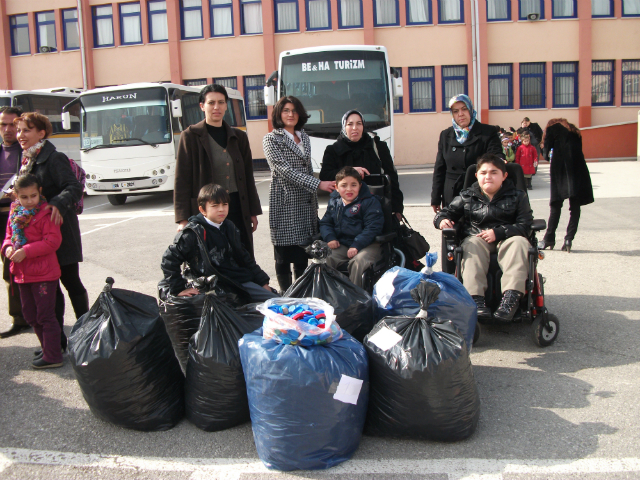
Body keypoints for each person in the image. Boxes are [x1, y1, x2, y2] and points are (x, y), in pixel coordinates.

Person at [14, 112, 88, 352]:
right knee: (50, 288)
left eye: (26, 130)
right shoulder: (27, 159)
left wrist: (56, 203)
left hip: (61, 231)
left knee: (71, 282)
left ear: (41, 133)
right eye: (19, 131)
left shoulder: (53, 157)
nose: (20, 135)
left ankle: (88, 333)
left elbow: (73, 187)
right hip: (39, 237)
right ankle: (57, 342)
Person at [434, 153, 533, 323]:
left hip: (508, 239)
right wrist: (442, 220)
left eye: (494, 172)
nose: (488, 177)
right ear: (476, 176)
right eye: (483, 172)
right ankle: (476, 300)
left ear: (504, 176)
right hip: (477, 238)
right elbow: (445, 212)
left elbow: (525, 225)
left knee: (520, 242)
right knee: (471, 244)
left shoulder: (518, 196)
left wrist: (499, 232)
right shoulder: (467, 196)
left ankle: (510, 301)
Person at [174, 84, 261, 255]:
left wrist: (252, 211)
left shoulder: (239, 137)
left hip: (236, 205)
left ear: (226, 105)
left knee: (240, 253)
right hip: (207, 209)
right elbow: (182, 180)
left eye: (221, 102)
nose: (216, 107)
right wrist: (183, 219)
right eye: (211, 102)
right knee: (210, 256)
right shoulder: (190, 136)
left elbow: (248, 177)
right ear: (202, 106)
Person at [263, 96, 336, 292]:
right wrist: (318, 183)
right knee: (284, 254)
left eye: (294, 111)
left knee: (302, 253)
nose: (290, 114)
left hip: (305, 202)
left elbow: (308, 167)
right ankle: (287, 293)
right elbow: (284, 171)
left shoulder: (303, 136)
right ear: (279, 114)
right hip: (285, 201)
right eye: (286, 110)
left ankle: (301, 292)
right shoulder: (271, 139)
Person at [161, 183, 278, 303]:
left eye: (225, 204)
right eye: (215, 206)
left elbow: (245, 258)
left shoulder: (229, 227)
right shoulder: (193, 233)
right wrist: (179, 289)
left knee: (276, 303)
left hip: (236, 281)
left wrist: (262, 282)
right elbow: (169, 260)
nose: (221, 209)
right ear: (202, 210)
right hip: (211, 286)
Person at [2, 174, 63, 368]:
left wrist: (26, 251)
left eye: (33, 196)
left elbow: (52, 241)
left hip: (44, 273)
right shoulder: (14, 213)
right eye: (24, 197)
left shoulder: (47, 213)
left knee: (45, 315)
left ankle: (53, 355)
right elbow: (8, 237)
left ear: (40, 193)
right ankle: (47, 349)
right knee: (30, 315)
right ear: (17, 196)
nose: (29, 201)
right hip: (22, 273)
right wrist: (8, 248)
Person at [319, 109, 404, 219]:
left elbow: (392, 178)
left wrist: (397, 209)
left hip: (376, 209)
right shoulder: (333, 150)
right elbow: (325, 175)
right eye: (350, 124)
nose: (355, 128)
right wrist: (350, 171)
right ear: (344, 127)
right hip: (346, 212)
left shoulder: (378, 147)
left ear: (363, 126)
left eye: (359, 123)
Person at [431, 94, 504, 212]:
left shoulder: (487, 132)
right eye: (456, 111)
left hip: (478, 193)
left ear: (470, 110)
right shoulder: (446, 135)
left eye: (464, 109)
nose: (460, 114)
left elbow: (495, 154)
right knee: (452, 228)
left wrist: (500, 160)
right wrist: (435, 198)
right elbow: (440, 168)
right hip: (452, 194)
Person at [319, 166, 384, 288]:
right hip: (344, 243)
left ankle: (356, 298)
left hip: (369, 244)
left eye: (353, 185)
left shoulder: (370, 201)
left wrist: (357, 245)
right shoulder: (334, 202)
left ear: (360, 186)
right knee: (323, 258)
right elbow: (325, 223)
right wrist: (330, 238)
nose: (349, 189)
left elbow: (373, 227)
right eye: (344, 185)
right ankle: (328, 294)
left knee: (358, 262)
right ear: (337, 188)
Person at [538, 119, 594, 253]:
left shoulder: (552, 129)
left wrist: (543, 148)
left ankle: (548, 239)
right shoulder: (575, 132)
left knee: (556, 205)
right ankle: (569, 239)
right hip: (578, 171)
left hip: (560, 172)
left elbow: (546, 154)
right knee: (575, 207)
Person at [0, 106, 28, 338]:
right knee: (8, 271)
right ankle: (18, 318)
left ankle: (33, 316)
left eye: (12, 125)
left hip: (20, 218)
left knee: (24, 268)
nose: (8, 130)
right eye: (3, 125)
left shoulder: (28, 153)